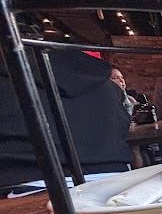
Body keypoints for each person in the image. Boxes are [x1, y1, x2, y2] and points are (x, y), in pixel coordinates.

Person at [0, 49, 132, 188]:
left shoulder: (7, 83)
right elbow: (123, 125)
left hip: (29, 183)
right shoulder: (108, 85)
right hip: (119, 180)